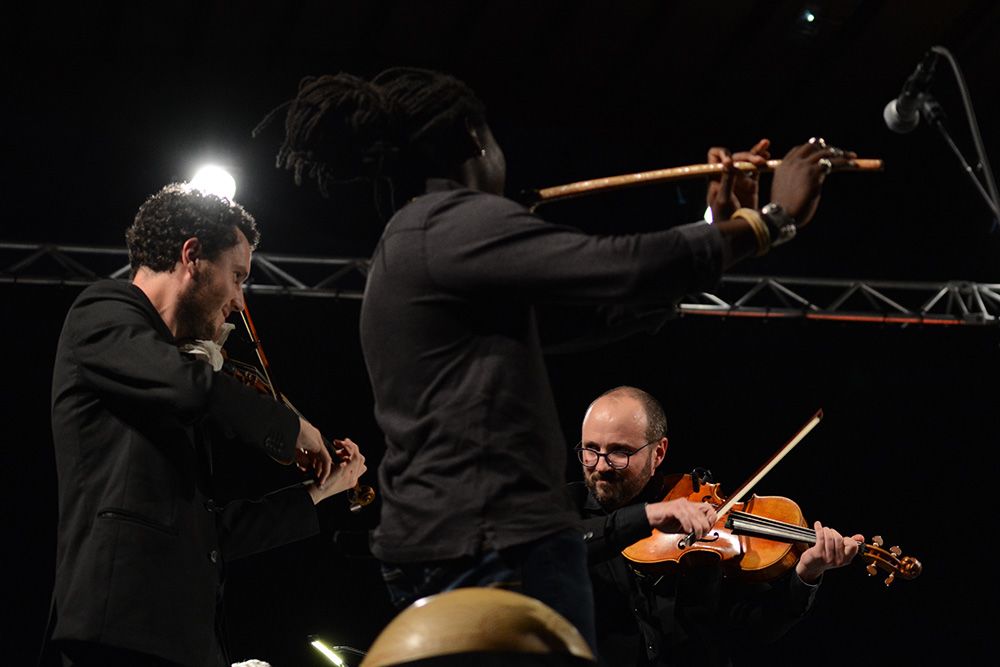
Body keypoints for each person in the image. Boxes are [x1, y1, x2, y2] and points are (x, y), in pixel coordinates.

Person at [256, 66, 852, 651]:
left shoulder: (412, 240)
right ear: (472, 140)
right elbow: (619, 267)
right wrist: (770, 222)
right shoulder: (454, 222)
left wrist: (713, 229)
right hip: (493, 543)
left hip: (452, 542)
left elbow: (599, 312)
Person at [48, 183, 367, 667]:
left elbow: (210, 536)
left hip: (186, 644)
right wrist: (290, 425)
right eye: (237, 276)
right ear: (192, 254)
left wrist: (319, 493)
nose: (240, 301)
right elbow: (193, 387)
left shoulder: (182, 368)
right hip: (117, 633)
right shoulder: (103, 311)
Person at [571, 386, 862, 666]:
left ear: (658, 453)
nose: (600, 465)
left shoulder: (697, 516)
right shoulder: (563, 510)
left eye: (619, 452)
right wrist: (646, 517)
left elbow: (751, 630)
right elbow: (563, 545)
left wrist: (806, 575)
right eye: (590, 450)